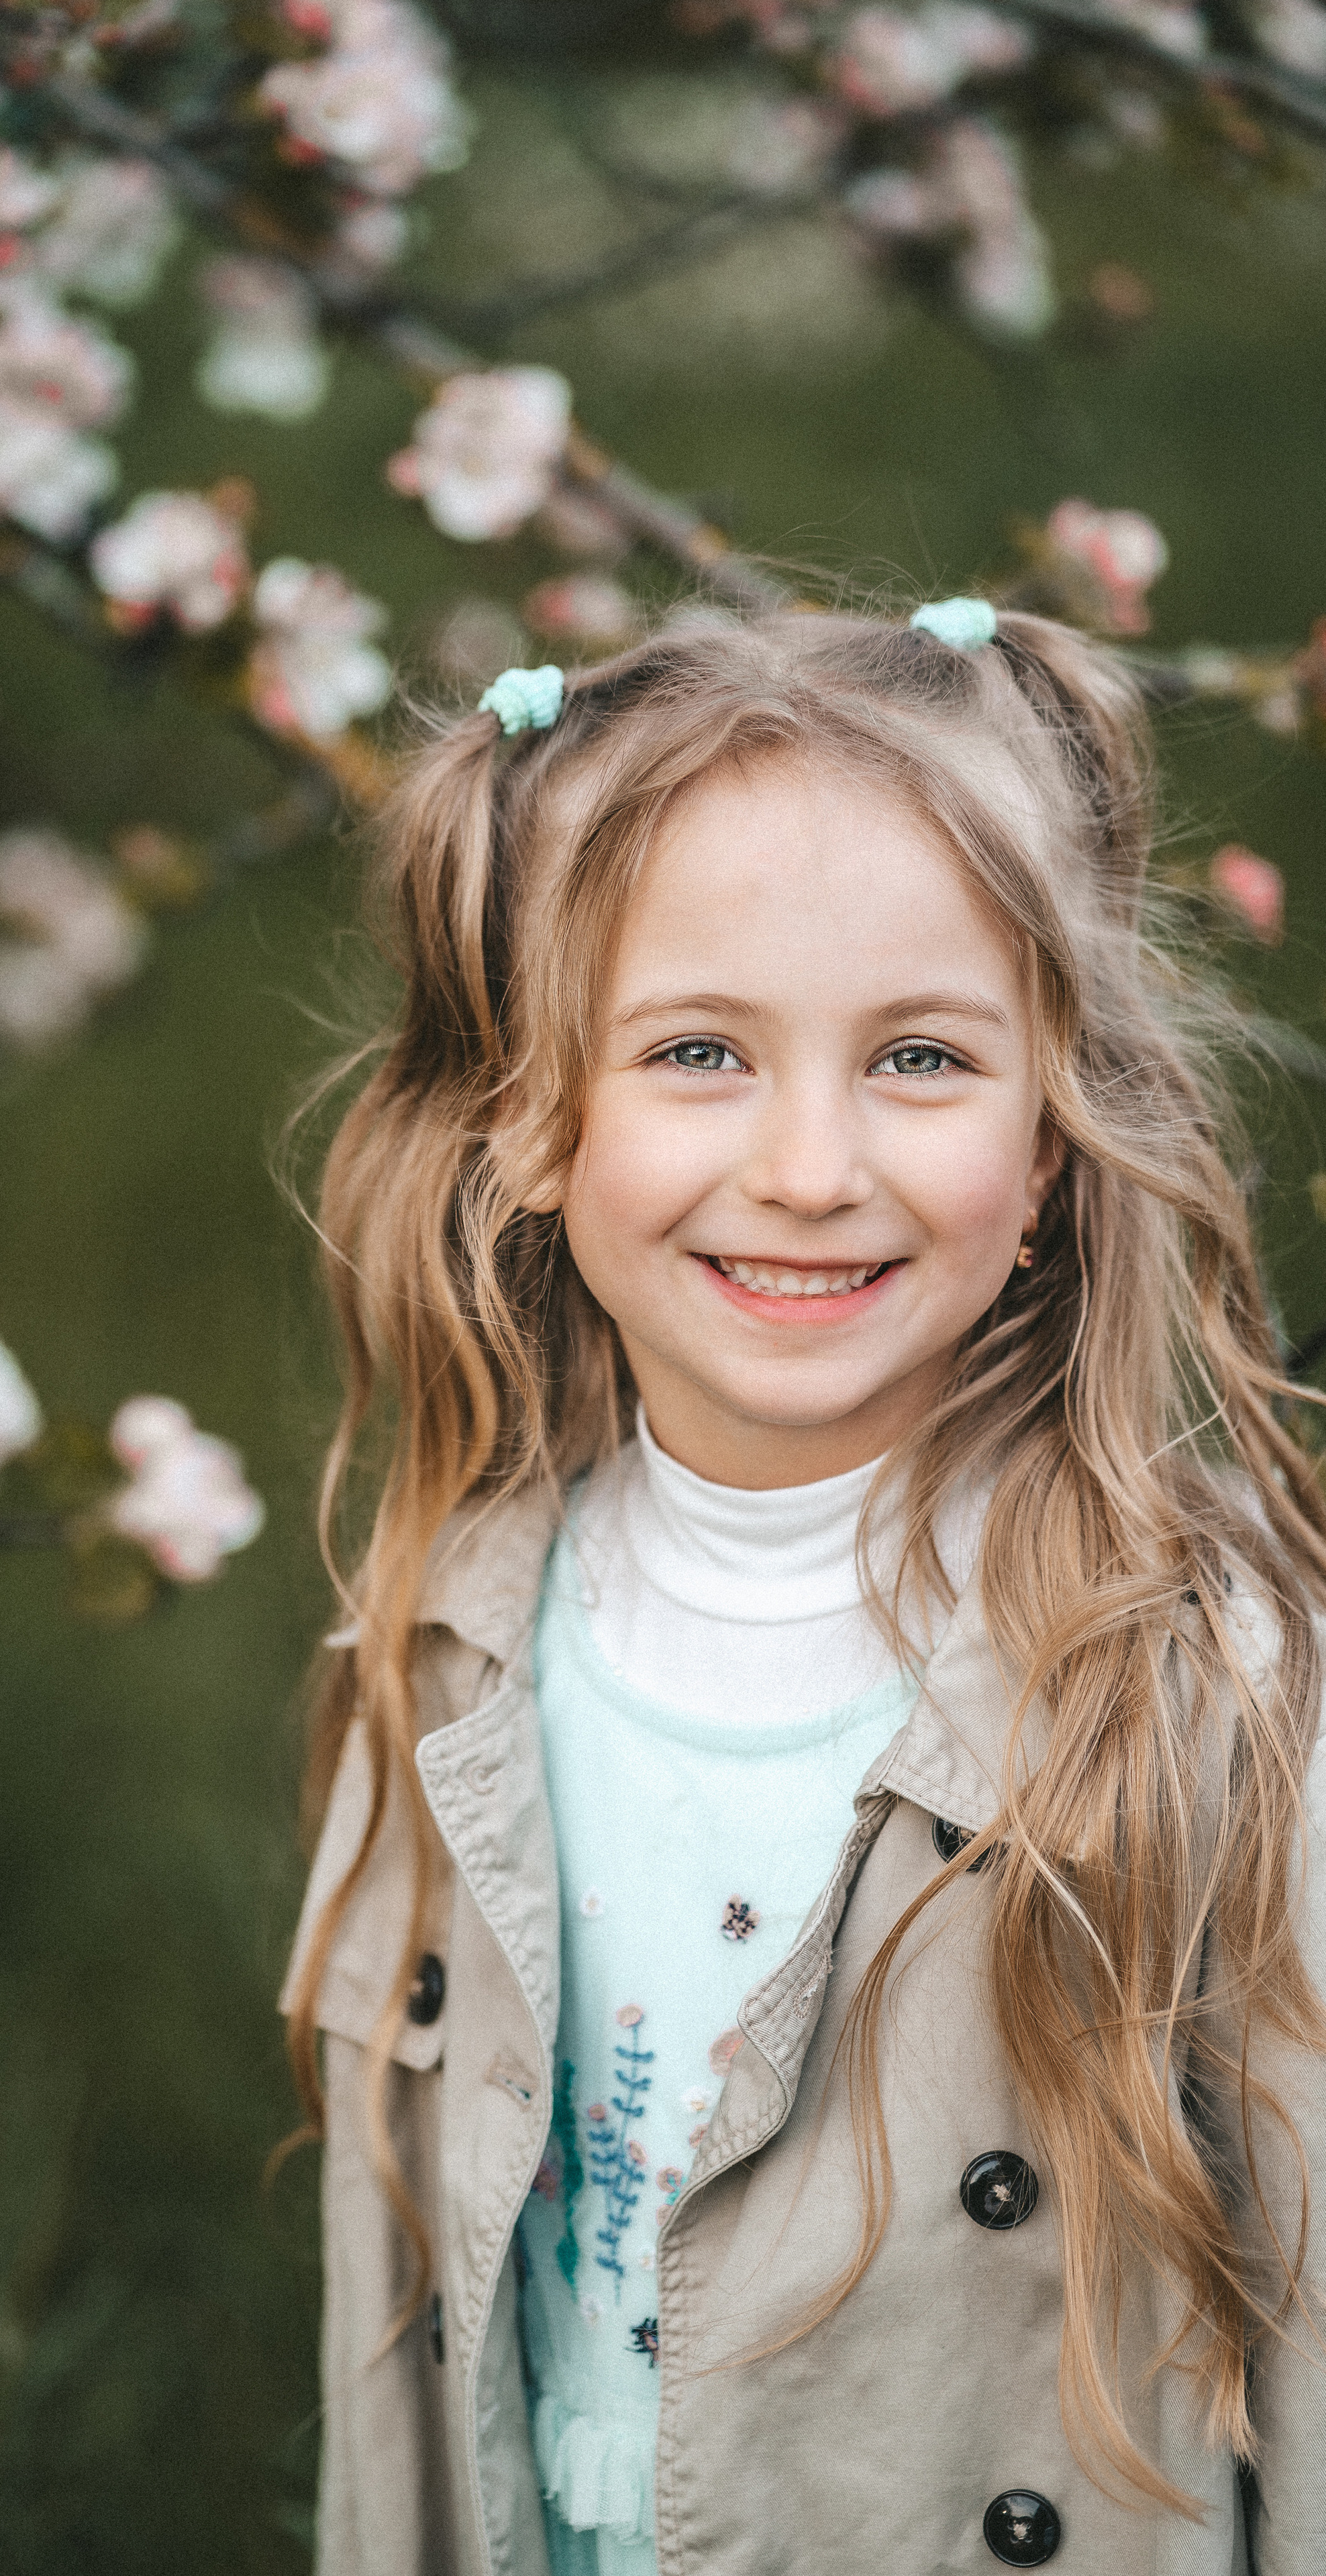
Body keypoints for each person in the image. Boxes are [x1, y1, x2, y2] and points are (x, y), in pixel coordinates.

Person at [278, 602, 1326, 2575]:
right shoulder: (448, 1653)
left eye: (922, 1059)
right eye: (698, 1054)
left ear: (1051, 1145)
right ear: (525, 1118)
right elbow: (399, 2378)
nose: (813, 1164)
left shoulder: (1217, 1695)